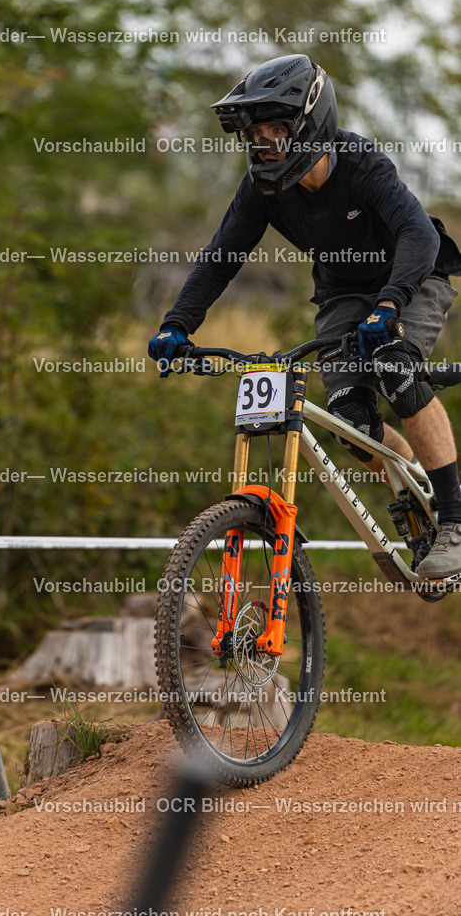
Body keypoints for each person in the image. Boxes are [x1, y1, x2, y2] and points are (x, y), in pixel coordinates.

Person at [148, 53, 461, 583]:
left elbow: (420, 235)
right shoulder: (263, 190)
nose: (265, 145)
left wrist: (389, 305)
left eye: (276, 130)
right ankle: (413, 491)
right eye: (256, 134)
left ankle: (454, 519)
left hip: (414, 278)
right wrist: (177, 324)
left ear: (312, 124)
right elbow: (222, 256)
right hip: (342, 293)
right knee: (351, 423)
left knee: (398, 370)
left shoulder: (361, 165)